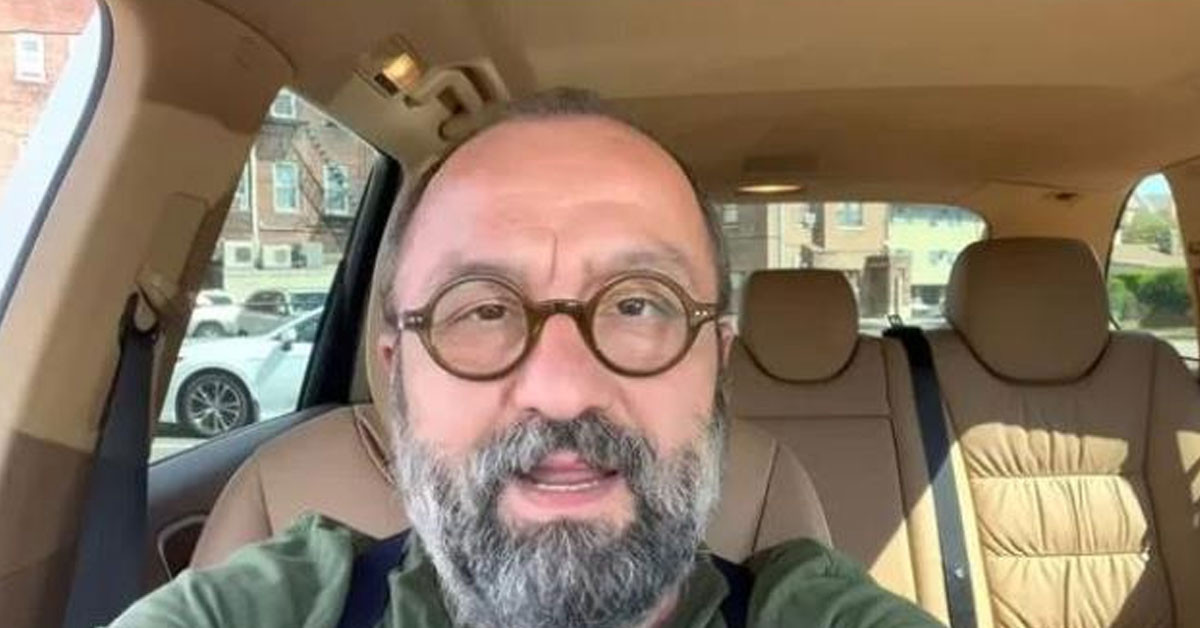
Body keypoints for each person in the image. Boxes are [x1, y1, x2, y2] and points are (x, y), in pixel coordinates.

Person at [109, 88, 942, 628]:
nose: (561, 388)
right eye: (483, 309)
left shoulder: (807, 609)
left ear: (716, 367)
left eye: (637, 304)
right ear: (397, 373)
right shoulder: (278, 607)